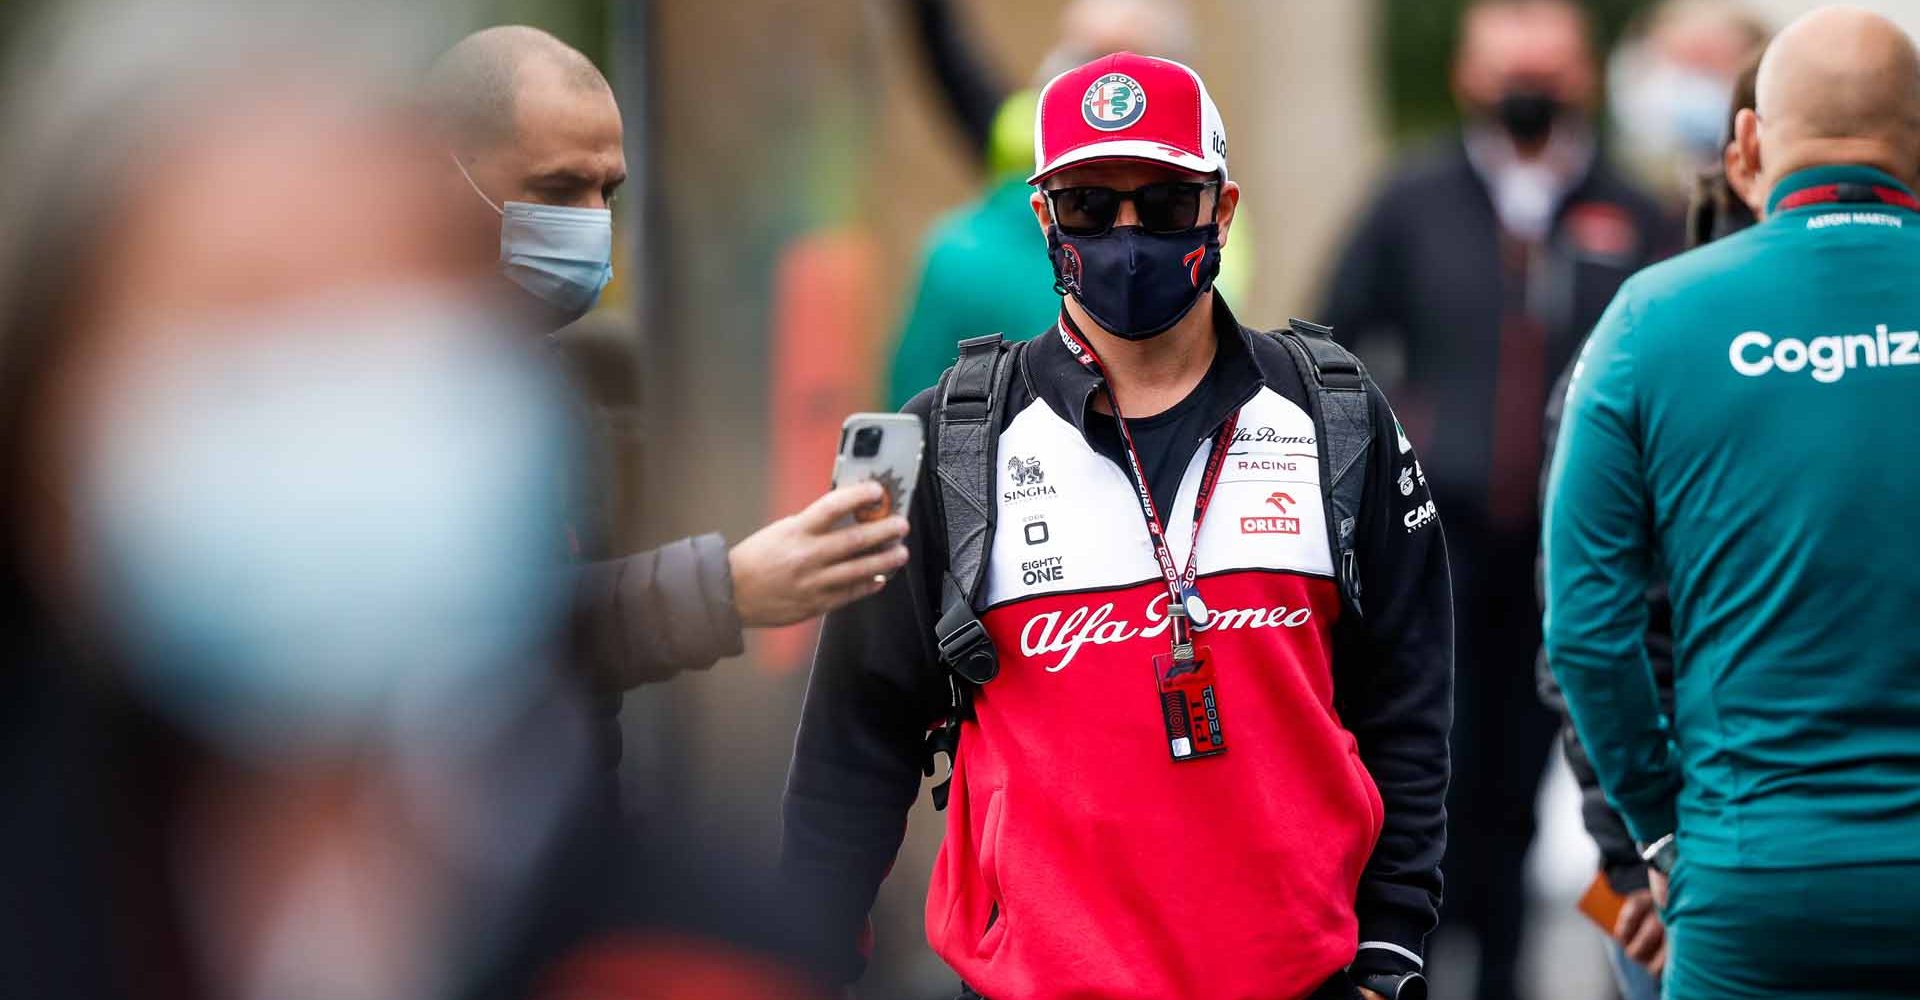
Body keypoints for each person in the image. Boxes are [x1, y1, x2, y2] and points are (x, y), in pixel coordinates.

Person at [0, 4, 826, 998]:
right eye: (254, 314)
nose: (355, 389)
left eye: (403, 303)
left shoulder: (694, 959)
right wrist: (722, 589)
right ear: (49, 427)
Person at [785, 52, 1452, 1000]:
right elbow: (854, 741)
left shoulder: (1338, 417)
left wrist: (1389, 952)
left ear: (1223, 212)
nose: (1128, 238)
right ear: (1044, 221)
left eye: (1166, 204)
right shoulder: (941, 438)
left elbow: (1410, 704)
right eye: (1092, 207)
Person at [1545, 8, 1920, 998]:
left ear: (1748, 142)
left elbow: (1585, 628)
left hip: (1753, 877)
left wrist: (1663, 832)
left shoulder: (1652, 319)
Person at [423, 27, 910, 762]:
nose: (590, 221)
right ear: (440, 175)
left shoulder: (547, 374)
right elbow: (485, 649)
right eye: (558, 189)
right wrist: (729, 589)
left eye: (607, 192)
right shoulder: (381, 398)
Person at [1318, 5, 1668, 996]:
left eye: (1548, 68)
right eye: (1510, 67)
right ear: (1471, 78)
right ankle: (1415, 965)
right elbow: (1332, 340)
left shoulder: (1631, 214)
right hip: (1441, 549)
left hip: (1585, 556)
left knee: (1542, 780)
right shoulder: (1412, 199)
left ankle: (1519, 968)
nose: (1529, 87)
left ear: (1583, 79)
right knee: (1432, 769)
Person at [1535, 50, 1762, 1000]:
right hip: (1683, 871)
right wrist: (1639, 859)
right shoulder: (1648, 338)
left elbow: (1587, 634)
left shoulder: (1644, 329)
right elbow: (1589, 637)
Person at [887, 0, 1254, 410]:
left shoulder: (1207, 186)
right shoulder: (969, 252)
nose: (1116, 89)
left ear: (1222, 212)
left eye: (1166, 206)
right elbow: (955, 73)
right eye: (1086, 201)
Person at [1608, 0, 1771, 212]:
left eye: (1705, 63)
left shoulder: (1765, 183)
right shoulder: (1623, 189)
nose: (1688, 84)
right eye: (1678, 65)